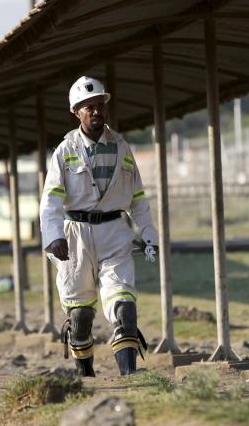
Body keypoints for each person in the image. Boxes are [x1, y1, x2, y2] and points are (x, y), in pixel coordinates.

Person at [39, 75, 158, 377]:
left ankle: (130, 377)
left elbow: (138, 198)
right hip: (74, 236)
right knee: (79, 314)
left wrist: (148, 233)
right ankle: (87, 377)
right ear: (76, 112)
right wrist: (53, 237)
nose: (95, 111)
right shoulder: (64, 152)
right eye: (88, 107)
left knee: (124, 304)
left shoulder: (121, 148)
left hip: (115, 231)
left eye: (99, 105)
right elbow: (50, 200)